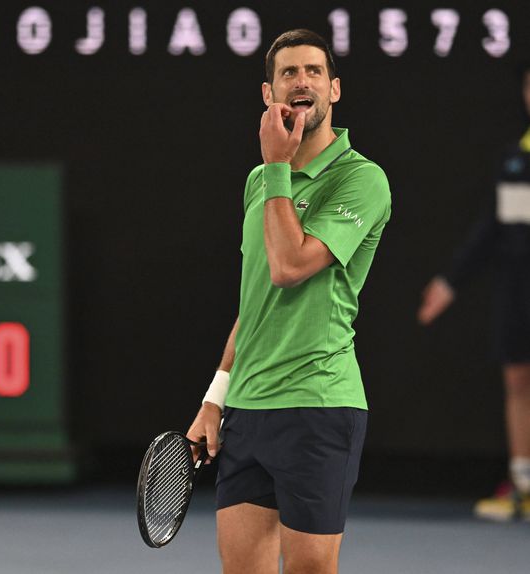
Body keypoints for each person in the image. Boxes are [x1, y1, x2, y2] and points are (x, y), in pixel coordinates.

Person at [186, 29, 391, 573]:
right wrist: (215, 396)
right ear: (269, 93)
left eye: (314, 72)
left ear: (335, 89)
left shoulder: (362, 180)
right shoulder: (260, 182)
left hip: (318, 406)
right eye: (289, 73)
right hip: (248, 410)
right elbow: (255, 301)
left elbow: (289, 266)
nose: (302, 82)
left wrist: (278, 165)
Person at [417, 64, 530, 522]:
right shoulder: (516, 159)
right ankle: (523, 488)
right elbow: (497, 229)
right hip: (518, 290)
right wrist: (449, 283)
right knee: (518, 382)